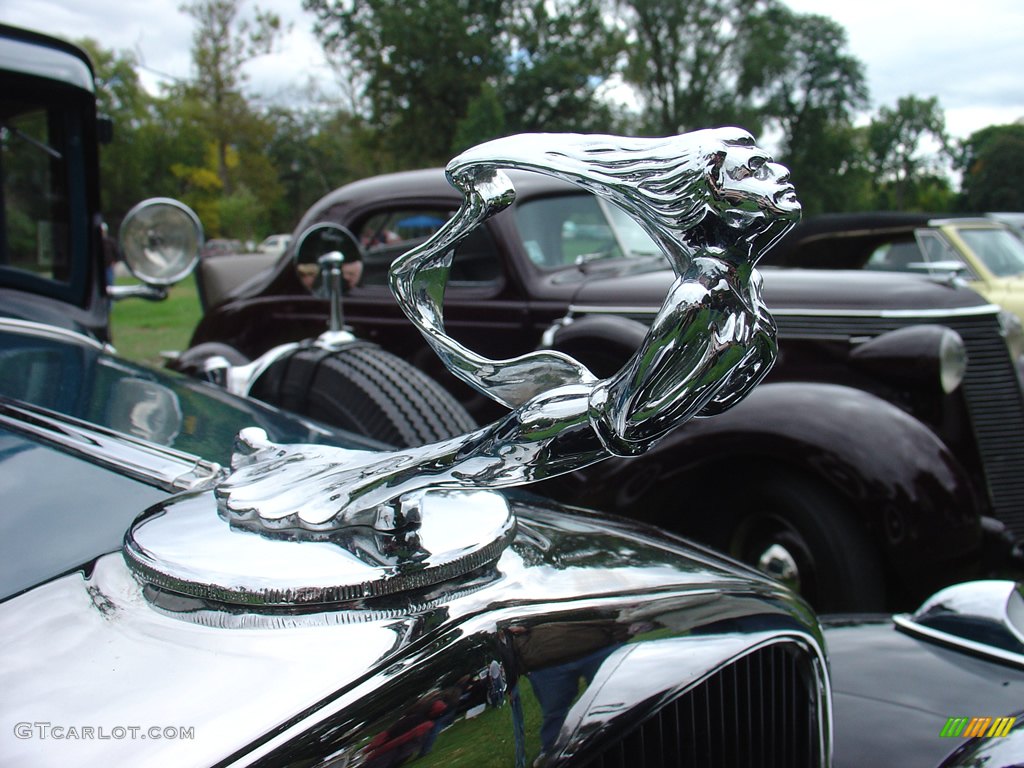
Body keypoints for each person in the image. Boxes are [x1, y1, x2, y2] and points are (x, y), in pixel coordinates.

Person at [218, 128, 801, 529]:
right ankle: (296, 479)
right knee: (420, 473)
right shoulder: (698, 297)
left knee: (426, 471)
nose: (778, 172)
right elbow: (625, 418)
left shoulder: (737, 293)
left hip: (577, 417)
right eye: (753, 168)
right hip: (566, 424)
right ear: (711, 196)